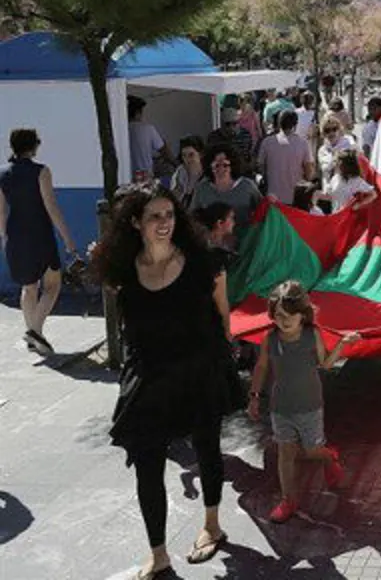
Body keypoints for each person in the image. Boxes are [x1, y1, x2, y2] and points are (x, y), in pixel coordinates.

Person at [92, 183, 243, 578]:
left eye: (170, 215)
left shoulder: (204, 263)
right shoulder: (124, 272)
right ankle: (157, 553)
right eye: (155, 216)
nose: (164, 223)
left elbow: (222, 315)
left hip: (198, 370)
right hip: (150, 375)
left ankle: (212, 525)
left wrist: (223, 359)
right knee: (146, 462)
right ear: (136, 222)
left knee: (207, 448)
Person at [247, 281, 353, 523]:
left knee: (311, 450)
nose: (283, 322)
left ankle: (328, 457)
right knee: (286, 452)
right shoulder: (270, 339)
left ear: (302, 315)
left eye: (289, 316)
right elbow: (262, 367)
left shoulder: (311, 335)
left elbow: (325, 364)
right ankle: (288, 500)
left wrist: (342, 345)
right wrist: (254, 396)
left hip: (310, 405)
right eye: (278, 316)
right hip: (281, 407)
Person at [0, 128, 76, 355]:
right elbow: (51, 207)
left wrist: (4, 238)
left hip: (15, 235)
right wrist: (68, 240)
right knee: (52, 285)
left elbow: (1, 212)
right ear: (34, 147)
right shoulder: (41, 171)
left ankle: (33, 336)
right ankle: (34, 330)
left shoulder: (2, 174)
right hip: (39, 234)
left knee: (28, 286)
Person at [191, 145, 263, 229]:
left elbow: (263, 210)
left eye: (225, 165)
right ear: (210, 167)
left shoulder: (247, 185)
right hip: (213, 240)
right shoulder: (202, 189)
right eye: (216, 165)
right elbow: (193, 217)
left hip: (245, 238)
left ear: (232, 165)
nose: (221, 169)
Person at [257, 109, 314, 201]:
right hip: (296, 197)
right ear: (295, 124)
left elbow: (260, 167)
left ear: (279, 123)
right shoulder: (303, 143)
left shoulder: (267, 142)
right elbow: (309, 172)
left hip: (273, 198)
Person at [127, 96, 174, 182]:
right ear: (138, 113)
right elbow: (163, 150)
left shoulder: (121, 130)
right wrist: (175, 163)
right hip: (145, 178)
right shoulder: (147, 129)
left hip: (126, 177)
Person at [318, 116, 358, 182]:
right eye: (327, 130)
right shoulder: (322, 150)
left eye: (334, 129)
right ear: (323, 133)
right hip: (330, 187)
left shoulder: (348, 143)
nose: (331, 133)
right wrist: (336, 156)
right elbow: (325, 169)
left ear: (339, 129)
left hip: (349, 185)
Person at [172, 136, 206, 209]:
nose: (187, 159)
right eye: (184, 155)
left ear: (201, 155)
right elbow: (175, 196)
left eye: (191, 155)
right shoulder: (181, 172)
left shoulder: (208, 175)